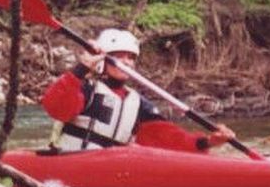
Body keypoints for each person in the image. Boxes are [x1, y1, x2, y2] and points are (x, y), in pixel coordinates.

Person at [39, 28, 236, 153]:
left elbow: (169, 139)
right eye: (118, 56)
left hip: (114, 170)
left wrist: (208, 142)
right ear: (103, 60)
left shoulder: (138, 103)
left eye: (130, 57)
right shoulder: (84, 87)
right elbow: (56, 108)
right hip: (72, 161)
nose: (125, 61)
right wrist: (81, 69)